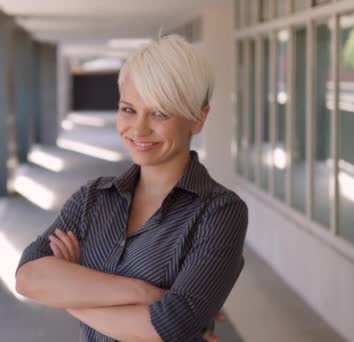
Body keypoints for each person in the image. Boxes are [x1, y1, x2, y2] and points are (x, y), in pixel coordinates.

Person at [15, 35, 248, 342]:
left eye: (160, 113)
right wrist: (143, 293)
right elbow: (29, 276)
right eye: (128, 109)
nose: (139, 129)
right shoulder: (92, 199)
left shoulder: (219, 211)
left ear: (198, 118)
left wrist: (71, 290)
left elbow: (168, 328)